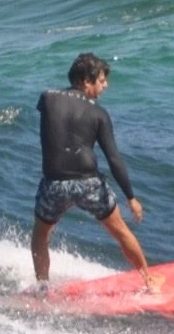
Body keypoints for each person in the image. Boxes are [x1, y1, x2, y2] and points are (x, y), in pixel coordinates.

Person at [31, 52, 156, 290]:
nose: (105, 85)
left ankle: (42, 289)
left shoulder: (47, 98)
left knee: (40, 236)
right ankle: (148, 281)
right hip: (89, 183)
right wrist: (131, 198)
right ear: (85, 81)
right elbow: (114, 159)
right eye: (101, 80)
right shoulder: (99, 113)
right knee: (120, 232)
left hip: (54, 184)